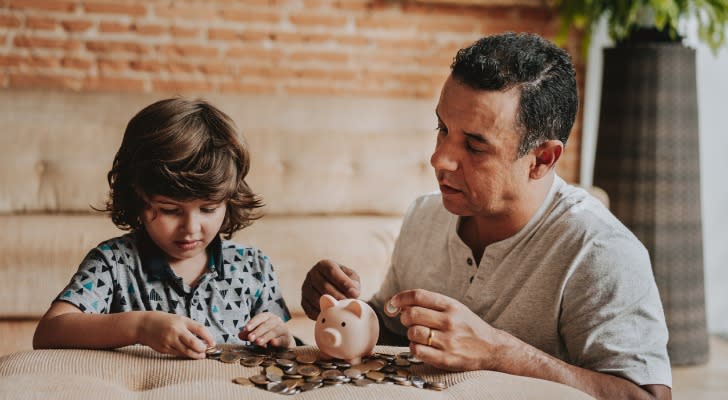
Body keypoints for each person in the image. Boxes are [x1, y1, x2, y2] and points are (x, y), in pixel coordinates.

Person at [301, 32, 672, 400]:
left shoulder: (600, 250)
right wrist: (339, 310)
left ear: (542, 159)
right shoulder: (425, 215)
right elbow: (393, 331)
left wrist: (499, 352)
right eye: (442, 129)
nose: (439, 159)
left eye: (475, 146)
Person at [33, 98, 293, 359]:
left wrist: (283, 337)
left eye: (209, 209)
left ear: (229, 199)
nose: (190, 228)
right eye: (170, 210)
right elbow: (48, 332)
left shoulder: (255, 266)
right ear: (137, 197)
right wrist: (140, 326)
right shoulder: (113, 263)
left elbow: (282, 346)